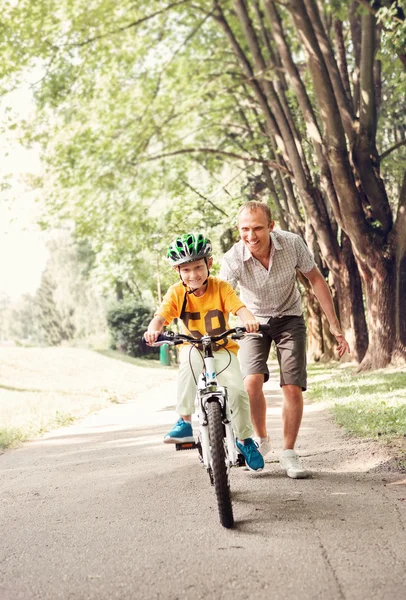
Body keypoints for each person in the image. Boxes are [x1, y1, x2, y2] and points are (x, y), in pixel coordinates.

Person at [220, 201, 350, 479]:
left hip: (289, 317)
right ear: (238, 229)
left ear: (271, 227)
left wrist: (334, 325)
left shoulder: (291, 244)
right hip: (252, 322)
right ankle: (262, 440)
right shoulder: (233, 259)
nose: (251, 236)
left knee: (292, 387)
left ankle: (289, 452)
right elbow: (222, 297)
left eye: (257, 228)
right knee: (251, 383)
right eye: (245, 229)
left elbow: (315, 279)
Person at [144, 232, 265, 472]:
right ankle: (185, 422)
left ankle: (244, 440)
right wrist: (153, 329)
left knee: (239, 393)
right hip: (193, 347)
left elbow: (238, 307)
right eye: (186, 270)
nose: (193, 275)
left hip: (222, 349)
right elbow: (162, 316)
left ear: (209, 264)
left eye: (198, 267)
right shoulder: (176, 293)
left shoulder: (221, 287)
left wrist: (249, 319)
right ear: (178, 271)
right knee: (187, 369)